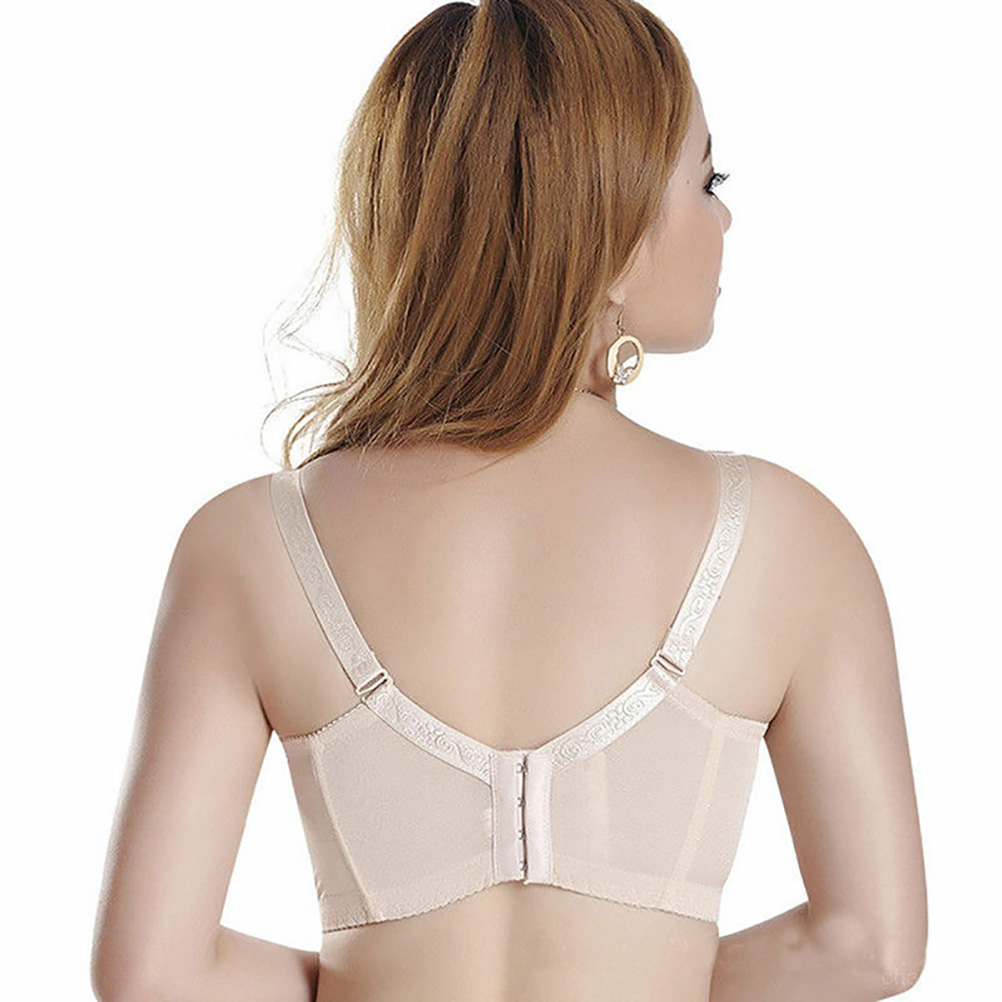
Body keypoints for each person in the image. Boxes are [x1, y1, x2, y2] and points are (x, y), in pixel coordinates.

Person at [90, 2, 927, 1000]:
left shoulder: (249, 543)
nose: (727, 219)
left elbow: (152, 972)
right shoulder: (785, 539)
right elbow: (870, 945)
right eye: (709, 182)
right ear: (611, 235)